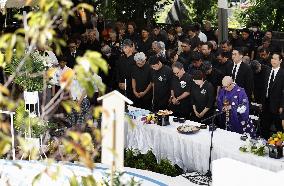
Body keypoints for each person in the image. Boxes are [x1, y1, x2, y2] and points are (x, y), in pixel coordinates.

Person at [260, 53, 284, 139]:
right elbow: (264, 87)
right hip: (266, 103)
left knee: (278, 128)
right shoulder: (268, 71)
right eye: (272, 58)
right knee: (265, 126)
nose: (273, 60)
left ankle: (280, 147)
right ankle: (264, 144)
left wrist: (282, 106)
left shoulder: (282, 73)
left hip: (277, 106)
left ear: (280, 61)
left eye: (275, 59)